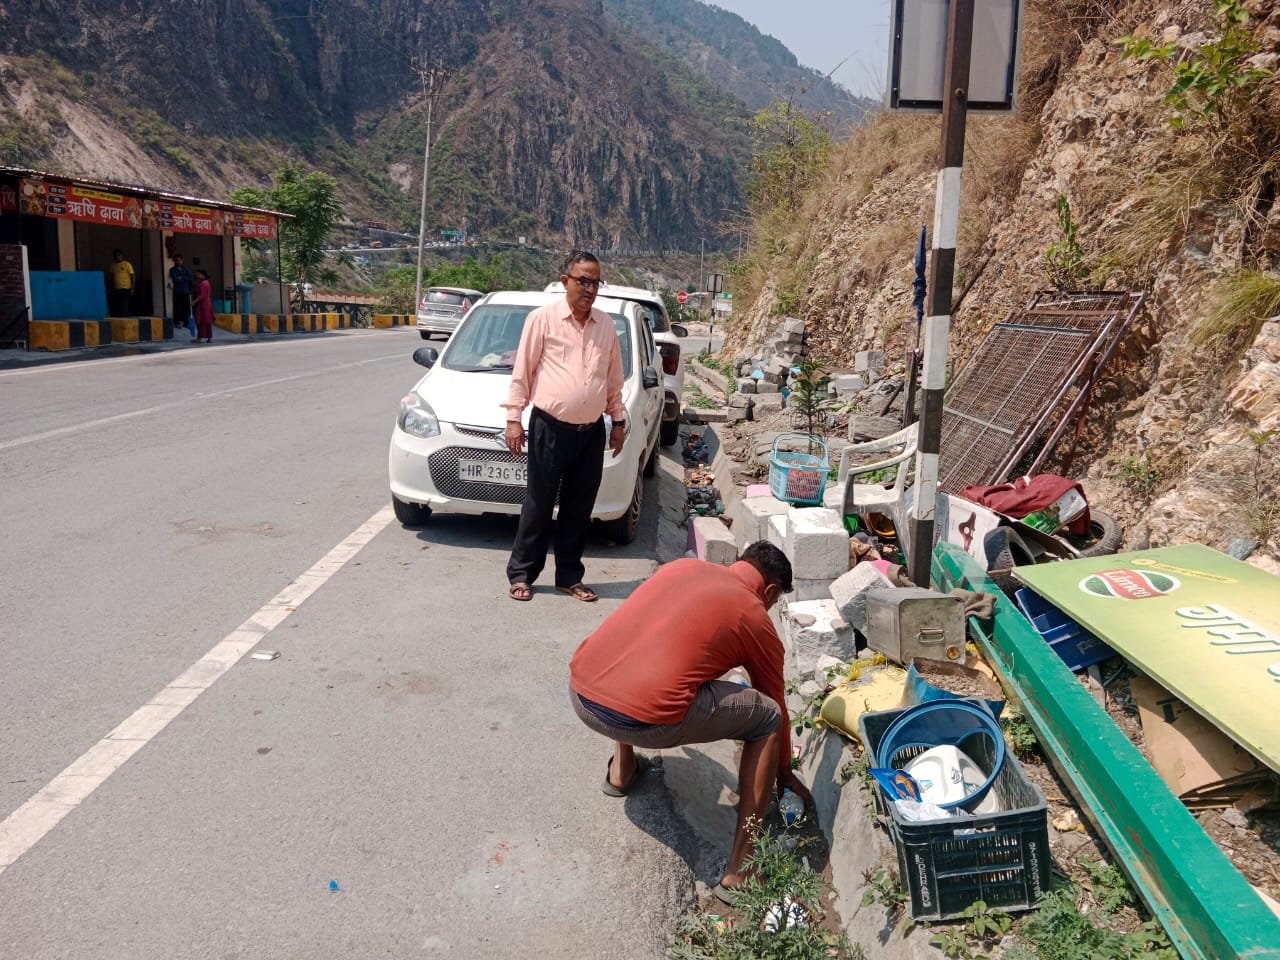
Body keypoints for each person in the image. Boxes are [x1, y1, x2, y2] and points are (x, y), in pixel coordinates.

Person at [568, 541, 813, 903]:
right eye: (774, 601)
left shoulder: (681, 568)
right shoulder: (754, 615)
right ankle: (741, 871)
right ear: (771, 590)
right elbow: (776, 705)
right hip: (645, 721)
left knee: (644, 653)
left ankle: (621, 771)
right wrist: (785, 775)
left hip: (582, 694)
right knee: (767, 718)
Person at [501, 251, 626, 603]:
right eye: (583, 280)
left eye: (595, 282)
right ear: (565, 281)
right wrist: (514, 418)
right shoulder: (543, 320)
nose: (590, 289)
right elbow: (523, 372)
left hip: (591, 432)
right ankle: (522, 574)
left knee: (579, 507)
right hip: (549, 428)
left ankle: (569, 577)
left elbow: (613, 381)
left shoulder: (606, 327)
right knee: (538, 503)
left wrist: (618, 421)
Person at [169, 254, 194, 338]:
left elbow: (190, 277)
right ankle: (177, 322)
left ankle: (186, 322)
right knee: (177, 307)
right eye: (177, 260)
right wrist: (184, 278)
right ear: (174, 261)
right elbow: (175, 279)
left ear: (182, 261)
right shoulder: (172, 269)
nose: (179, 262)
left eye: (180, 260)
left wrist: (181, 277)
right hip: (177, 291)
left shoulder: (186, 269)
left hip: (186, 291)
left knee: (186, 307)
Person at [106, 249, 134, 317]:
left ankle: (124, 317)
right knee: (118, 303)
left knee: (124, 304)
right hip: (116, 288)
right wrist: (110, 288)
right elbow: (111, 277)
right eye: (115, 256)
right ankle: (120, 316)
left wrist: (132, 288)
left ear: (122, 255)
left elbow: (133, 276)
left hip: (126, 287)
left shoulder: (127, 264)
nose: (117, 257)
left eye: (119, 255)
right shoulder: (112, 265)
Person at [191, 268, 215, 343]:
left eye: (198, 274)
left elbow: (202, 295)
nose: (197, 276)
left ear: (203, 275)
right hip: (206, 303)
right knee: (207, 321)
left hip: (203, 304)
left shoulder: (204, 283)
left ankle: (199, 338)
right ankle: (209, 338)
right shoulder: (205, 282)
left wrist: (194, 302)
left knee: (201, 321)